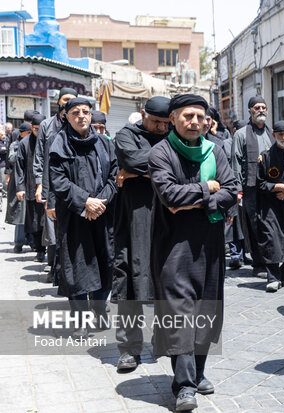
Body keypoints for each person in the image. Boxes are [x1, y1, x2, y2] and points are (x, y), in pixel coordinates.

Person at [148, 94, 237, 411]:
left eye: (200, 117)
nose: (195, 122)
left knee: (206, 310)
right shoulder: (160, 153)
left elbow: (232, 190)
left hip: (211, 244)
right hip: (174, 247)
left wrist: (204, 197)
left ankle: (198, 374)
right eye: (188, 116)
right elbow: (170, 196)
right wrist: (208, 188)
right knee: (180, 313)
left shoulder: (216, 150)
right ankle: (183, 387)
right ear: (173, 119)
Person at [49, 97, 118, 338]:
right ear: (65, 116)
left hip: (102, 213)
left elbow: (114, 176)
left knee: (104, 262)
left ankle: (99, 313)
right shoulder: (59, 144)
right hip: (75, 216)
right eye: (76, 112)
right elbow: (58, 181)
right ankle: (79, 320)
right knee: (76, 267)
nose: (82, 116)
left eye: (86, 112)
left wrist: (100, 202)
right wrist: (85, 202)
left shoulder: (104, 143)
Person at [112, 96, 170, 372]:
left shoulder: (174, 135)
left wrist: (136, 172)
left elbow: (181, 166)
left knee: (165, 279)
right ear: (143, 114)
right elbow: (131, 159)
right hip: (134, 217)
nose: (161, 127)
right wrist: (160, 167)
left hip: (167, 215)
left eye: (165, 122)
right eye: (156, 121)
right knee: (130, 280)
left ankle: (164, 340)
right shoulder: (126, 135)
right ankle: (129, 348)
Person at [34, 87, 78, 283]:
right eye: (65, 99)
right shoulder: (46, 125)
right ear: (59, 101)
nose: (68, 102)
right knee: (52, 228)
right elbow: (40, 156)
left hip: (72, 183)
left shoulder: (77, 123)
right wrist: (39, 185)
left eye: (72, 99)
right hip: (51, 182)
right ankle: (53, 268)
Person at [231, 96, 275, 277]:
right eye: (257, 107)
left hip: (269, 187)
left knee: (270, 224)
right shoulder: (241, 134)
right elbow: (235, 163)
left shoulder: (271, 132)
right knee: (255, 225)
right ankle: (259, 264)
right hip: (250, 188)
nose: (261, 110)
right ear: (250, 111)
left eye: (264, 107)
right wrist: (237, 190)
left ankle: (272, 261)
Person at [256, 120, 284, 292]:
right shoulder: (265, 156)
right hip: (270, 205)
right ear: (273, 135)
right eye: (280, 134)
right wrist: (277, 187)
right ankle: (273, 277)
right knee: (271, 240)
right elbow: (259, 183)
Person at [204, 108, 245, 271]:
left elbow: (229, 179)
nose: (205, 123)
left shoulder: (218, 144)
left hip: (216, 206)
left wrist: (231, 209)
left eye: (208, 119)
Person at [15, 114, 47, 262]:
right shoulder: (24, 143)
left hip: (49, 188)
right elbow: (19, 167)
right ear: (31, 128)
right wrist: (20, 187)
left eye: (41, 129)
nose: (38, 133)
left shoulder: (51, 140)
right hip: (31, 188)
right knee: (34, 221)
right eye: (35, 129)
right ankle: (40, 251)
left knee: (48, 221)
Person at [5, 123, 31, 252]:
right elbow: (11, 159)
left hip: (32, 183)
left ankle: (33, 242)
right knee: (20, 213)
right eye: (29, 132)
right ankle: (19, 243)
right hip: (19, 182)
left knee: (32, 214)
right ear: (22, 133)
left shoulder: (35, 143)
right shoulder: (15, 145)